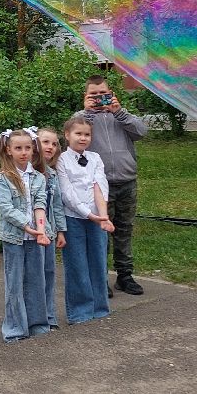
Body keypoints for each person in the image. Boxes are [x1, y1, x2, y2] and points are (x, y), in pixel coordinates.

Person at [76, 75, 147, 295]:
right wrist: (88, 113)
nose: (99, 99)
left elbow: (142, 132)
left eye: (103, 94)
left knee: (124, 229)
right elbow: (73, 138)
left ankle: (125, 276)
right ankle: (100, 277)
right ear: (85, 97)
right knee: (101, 233)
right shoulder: (82, 118)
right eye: (93, 95)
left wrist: (118, 111)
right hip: (99, 185)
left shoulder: (120, 115)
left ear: (112, 93)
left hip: (126, 180)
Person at [56, 115, 115, 323]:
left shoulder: (95, 158)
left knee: (98, 262)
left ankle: (100, 308)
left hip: (98, 218)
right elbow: (67, 194)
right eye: (78, 133)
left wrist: (102, 215)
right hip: (74, 218)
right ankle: (80, 312)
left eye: (87, 134)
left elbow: (100, 185)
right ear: (67, 135)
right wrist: (88, 214)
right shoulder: (62, 160)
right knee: (77, 264)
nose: (83, 138)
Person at [0, 129, 51, 342]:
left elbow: (40, 204)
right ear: (9, 150)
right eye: (18, 148)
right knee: (15, 283)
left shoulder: (37, 177)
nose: (24, 152)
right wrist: (28, 227)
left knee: (37, 280)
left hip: (34, 236)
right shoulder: (4, 178)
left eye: (27, 148)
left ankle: (37, 324)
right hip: (14, 238)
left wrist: (40, 229)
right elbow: (7, 209)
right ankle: (15, 329)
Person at [37, 126, 69, 328]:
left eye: (54, 143)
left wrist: (61, 230)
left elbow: (56, 204)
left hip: (49, 232)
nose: (50, 146)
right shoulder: (29, 173)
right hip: (32, 233)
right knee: (34, 275)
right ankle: (36, 318)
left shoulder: (52, 174)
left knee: (49, 272)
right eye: (45, 142)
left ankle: (50, 316)